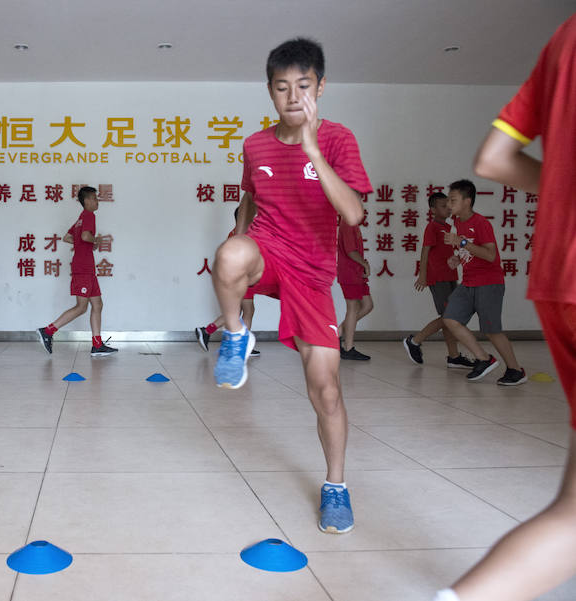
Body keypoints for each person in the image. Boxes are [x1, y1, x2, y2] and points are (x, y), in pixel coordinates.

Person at [434, 13, 576, 601]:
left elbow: (495, 156)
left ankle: (507, 366)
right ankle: (500, 365)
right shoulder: (453, 223)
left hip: (553, 277)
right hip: (500, 278)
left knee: (572, 516)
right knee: (457, 322)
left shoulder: (565, 37)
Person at [211, 38, 372, 533]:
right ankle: (236, 335)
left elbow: (353, 212)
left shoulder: (339, 139)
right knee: (229, 253)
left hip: (313, 273)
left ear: (320, 87)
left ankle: (336, 487)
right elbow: (250, 199)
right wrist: (241, 238)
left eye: (302, 86)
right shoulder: (255, 144)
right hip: (269, 250)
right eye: (282, 88)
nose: (292, 96)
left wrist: (311, 149)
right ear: (269, 91)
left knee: (325, 389)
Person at [440, 179, 526, 385]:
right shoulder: (458, 222)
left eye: (453, 200)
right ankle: (484, 358)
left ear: (467, 202)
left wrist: (461, 242)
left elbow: (489, 255)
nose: (449, 205)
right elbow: (469, 250)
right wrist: (457, 258)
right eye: (448, 200)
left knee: (492, 330)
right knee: (450, 318)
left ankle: (516, 370)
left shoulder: (481, 223)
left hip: (489, 282)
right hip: (469, 282)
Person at [37, 186, 117, 356]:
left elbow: (67, 237)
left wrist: (82, 244)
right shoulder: (89, 215)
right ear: (87, 201)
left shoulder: (80, 218)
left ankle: (97, 345)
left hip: (87, 267)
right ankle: (48, 331)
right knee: (81, 307)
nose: (97, 202)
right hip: (83, 267)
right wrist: (96, 240)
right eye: (95, 199)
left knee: (97, 304)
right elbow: (85, 236)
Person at [402, 192, 474, 369]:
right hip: (438, 277)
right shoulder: (432, 227)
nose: (448, 208)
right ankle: (415, 341)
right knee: (449, 316)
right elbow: (425, 251)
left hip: (450, 276)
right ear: (433, 209)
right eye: (443, 205)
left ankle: (453, 356)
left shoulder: (448, 228)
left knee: (449, 317)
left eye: (448, 204)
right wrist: (422, 275)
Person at [196, 208, 260, 357]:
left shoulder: (235, 233)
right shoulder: (244, 234)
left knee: (236, 311)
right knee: (248, 311)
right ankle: (242, 347)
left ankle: (207, 331)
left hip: (235, 277)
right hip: (243, 277)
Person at [336, 217, 372, 360]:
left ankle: (338, 333)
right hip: (350, 273)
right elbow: (351, 251)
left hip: (356, 273)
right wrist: (365, 264)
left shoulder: (352, 223)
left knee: (368, 305)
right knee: (353, 308)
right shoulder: (348, 223)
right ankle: (348, 347)